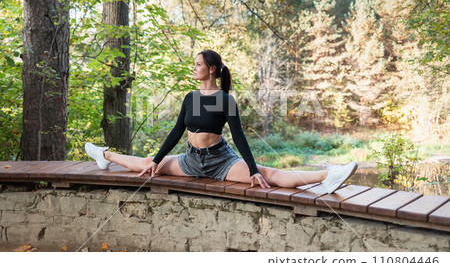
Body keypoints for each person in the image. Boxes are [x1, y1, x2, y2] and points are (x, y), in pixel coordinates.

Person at [85, 49, 357, 193]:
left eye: (198, 65)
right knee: (148, 164)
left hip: (220, 161)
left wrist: (251, 169)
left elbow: (238, 136)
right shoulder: (190, 97)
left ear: (212, 69)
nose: (194, 68)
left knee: (267, 175)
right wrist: (158, 158)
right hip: (190, 160)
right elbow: (177, 131)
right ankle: (105, 156)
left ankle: (328, 175)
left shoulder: (224, 99)